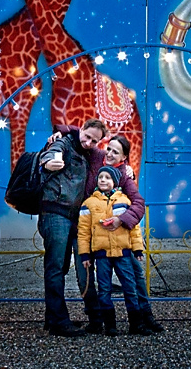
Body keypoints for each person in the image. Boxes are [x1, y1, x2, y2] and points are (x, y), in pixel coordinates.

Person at [38, 118, 145, 337]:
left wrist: (127, 171)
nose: (88, 142)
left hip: (92, 225)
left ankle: (133, 318)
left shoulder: (107, 163)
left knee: (99, 270)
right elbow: (59, 146)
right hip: (68, 218)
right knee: (68, 269)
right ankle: (74, 320)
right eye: (87, 137)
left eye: (94, 141)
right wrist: (52, 153)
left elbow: (134, 197)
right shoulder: (78, 148)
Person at [105, 134, 164, 334]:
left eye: (116, 152)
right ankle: (103, 321)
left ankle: (143, 317)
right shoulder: (98, 168)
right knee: (106, 283)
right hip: (102, 238)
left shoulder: (124, 177)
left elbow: (139, 204)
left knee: (135, 277)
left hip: (123, 236)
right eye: (109, 149)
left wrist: (122, 220)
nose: (110, 154)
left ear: (124, 157)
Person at [78, 165, 143, 336]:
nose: (103, 180)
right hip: (102, 255)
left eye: (107, 178)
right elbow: (83, 232)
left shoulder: (125, 201)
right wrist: (84, 254)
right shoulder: (88, 204)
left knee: (130, 287)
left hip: (123, 253)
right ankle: (110, 325)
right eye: (101, 178)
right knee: (104, 289)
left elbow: (134, 228)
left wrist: (137, 249)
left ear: (114, 182)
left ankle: (135, 323)